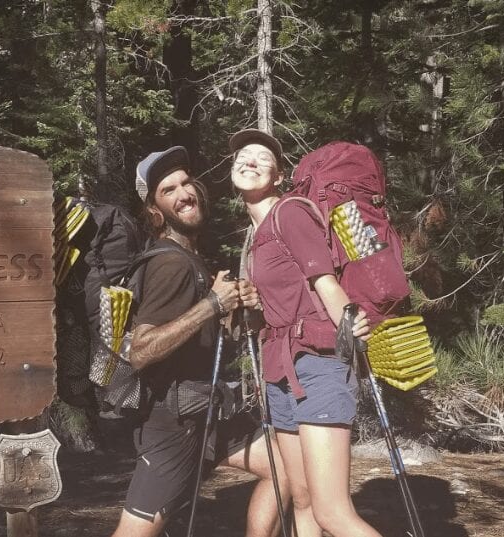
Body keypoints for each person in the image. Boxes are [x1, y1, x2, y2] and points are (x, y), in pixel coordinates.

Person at [110, 146, 288, 537]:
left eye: (186, 183)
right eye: (168, 190)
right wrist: (212, 304)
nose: (184, 193)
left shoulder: (189, 258)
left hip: (209, 413)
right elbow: (141, 351)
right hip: (173, 426)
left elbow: (199, 341)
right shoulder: (169, 262)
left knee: (284, 469)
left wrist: (231, 309)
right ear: (154, 211)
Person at [228, 129, 384, 537]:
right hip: (281, 371)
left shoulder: (290, 212)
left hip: (318, 365)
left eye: (262, 157)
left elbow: (324, 281)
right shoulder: (256, 235)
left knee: (332, 512)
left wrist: (352, 324)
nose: (250, 160)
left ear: (279, 176)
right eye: (242, 155)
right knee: (302, 499)